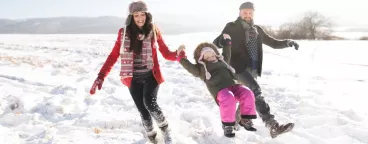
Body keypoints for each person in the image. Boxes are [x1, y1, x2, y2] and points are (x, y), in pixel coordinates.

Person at [89, 1, 182, 143]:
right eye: (136, 15)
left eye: (142, 14)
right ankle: (152, 136)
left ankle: (166, 130)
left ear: (147, 15)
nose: (140, 18)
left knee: (150, 103)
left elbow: (165, 52)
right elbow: (113, 56)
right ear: (131, 16)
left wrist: (178, 55)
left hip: (151, 75)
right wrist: (101, 76)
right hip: (132, 78)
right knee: (143, 112)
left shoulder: (154, 30)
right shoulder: (124, 32)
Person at [213, 2, 299, 138]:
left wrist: (287, 42)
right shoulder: (232, 27)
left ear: (253, 13)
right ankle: (272, 124)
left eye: (250, 12)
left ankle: (231, 128)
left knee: (247, 98)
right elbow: (216, 43)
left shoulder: (257, 29)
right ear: (240, 12)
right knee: (255, 90)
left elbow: (273, 43)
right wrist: (221, 42)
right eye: (245, 12)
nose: (247, 15)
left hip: (252, 70)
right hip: (237, 69)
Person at [177, 35, 257, 138]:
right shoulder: (201, 69)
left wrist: (227, 41)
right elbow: (189, 66)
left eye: (212, 55)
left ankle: (245, 118)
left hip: (233, 85)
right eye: (207, 57)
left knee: (247, 93)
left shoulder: (223, 61)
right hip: (220, 90)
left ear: (216, 54)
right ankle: (227, 125)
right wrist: (181, 55)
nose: (211, 58)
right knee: (228, 98)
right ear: (202, 59)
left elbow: (227, 52)